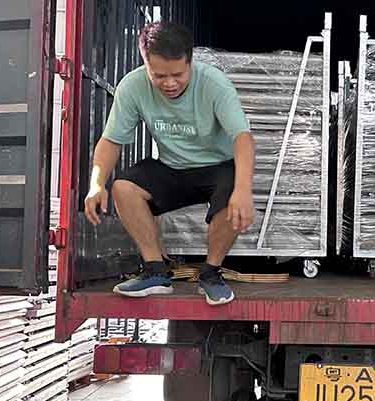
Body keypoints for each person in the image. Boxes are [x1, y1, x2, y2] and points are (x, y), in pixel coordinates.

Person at [83, 21, 255, 305]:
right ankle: (155, 272)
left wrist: (244, 189)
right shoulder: (133, 87)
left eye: (178, 74)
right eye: (159, 75)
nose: (170, 83)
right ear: (145, 64)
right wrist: (96, 183)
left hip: (217, 167)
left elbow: (243, 138)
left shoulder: (214, 84)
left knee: (232, 194)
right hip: (172, 168)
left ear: (190, 61)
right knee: (123, 188)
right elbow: (111, 140)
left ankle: (211, 274)